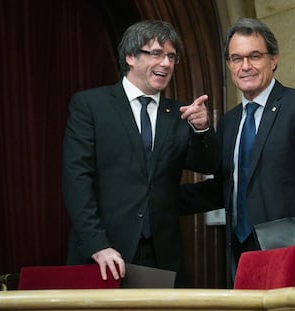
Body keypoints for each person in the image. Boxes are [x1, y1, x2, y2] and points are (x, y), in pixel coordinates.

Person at [181, 18, 295, 288]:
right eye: (236, 58)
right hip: (241, 255)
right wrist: (157, 197)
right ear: (229, 65)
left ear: (274, 59)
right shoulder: (230, 121)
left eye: (254, 56)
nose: (245, 66)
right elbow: (225, 188)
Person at [62, 20, 219, 288]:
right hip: (105, 254)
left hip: (162, 257)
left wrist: (202, 130)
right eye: (156, 53)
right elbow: (77, 180)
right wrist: (97, 245)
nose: (167, 63)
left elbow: (207, 164)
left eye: (171, 56)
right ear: (130, 57)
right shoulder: (91, 106)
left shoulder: (180, 114)